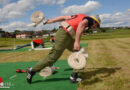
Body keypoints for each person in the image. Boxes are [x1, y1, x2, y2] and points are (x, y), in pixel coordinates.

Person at [26, 14, 101, 84]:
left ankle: (74, 76)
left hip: (66, 35)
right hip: (63, 35)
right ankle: (32, 71)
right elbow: (81, 25)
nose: (95, 27)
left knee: (82, 54)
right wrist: (77, 42)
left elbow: (64, 17)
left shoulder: (80, 16)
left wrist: (50, 21)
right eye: (96, 25)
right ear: (94, 21)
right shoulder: (89, 20)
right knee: (53, 57)